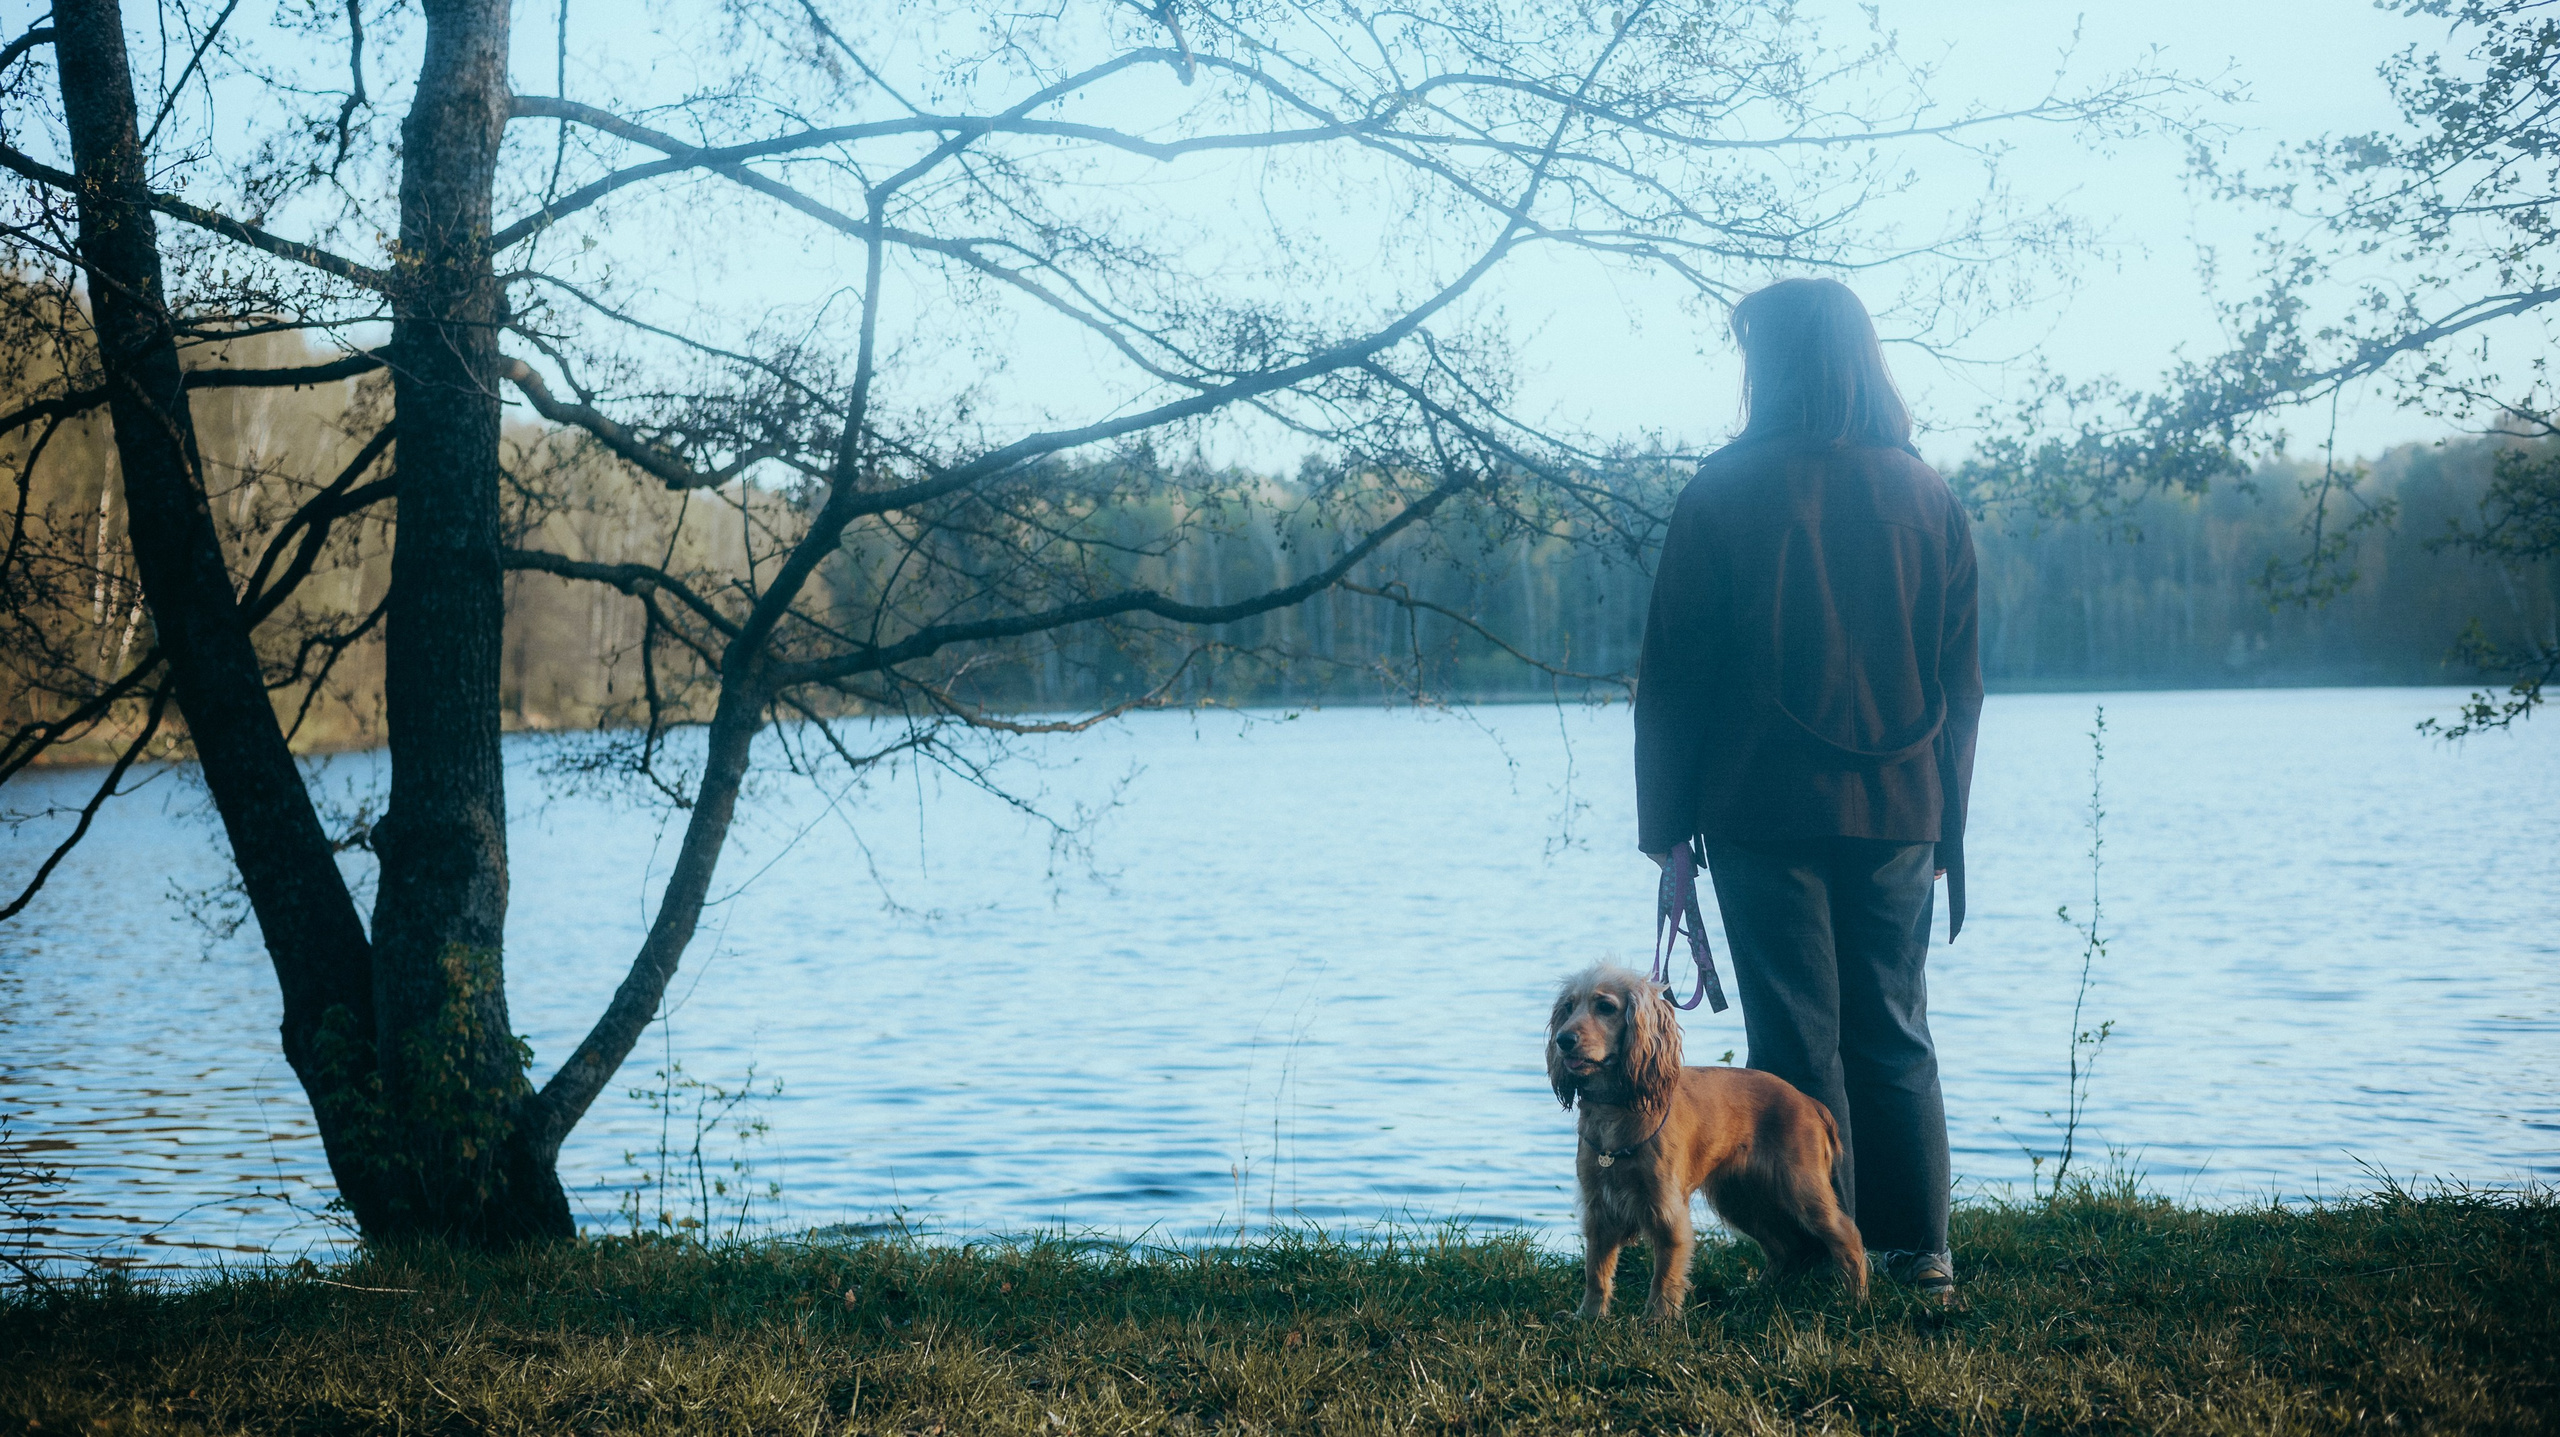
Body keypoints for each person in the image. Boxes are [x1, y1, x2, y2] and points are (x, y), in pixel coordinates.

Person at [1632, 277, 1982, 1305]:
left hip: (1760, 806)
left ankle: (1829, 1263)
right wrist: (1948, 827)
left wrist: (1668, 830)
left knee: (1794, 1041)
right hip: (1901, 809)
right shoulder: (1928, 496)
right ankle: (1918, 1255)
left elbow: (1673, 678)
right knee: (1895, 1030)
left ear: (1773, 363)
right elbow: (1960, 686)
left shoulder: (1720, 493)